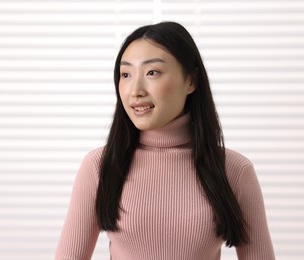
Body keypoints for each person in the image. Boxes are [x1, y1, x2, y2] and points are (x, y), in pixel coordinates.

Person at [55, 21, 275, 260]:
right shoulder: (100, 165)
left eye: (152, 72)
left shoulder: (234, 170)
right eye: (126, 74)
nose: (135, 90)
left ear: (191, 81)